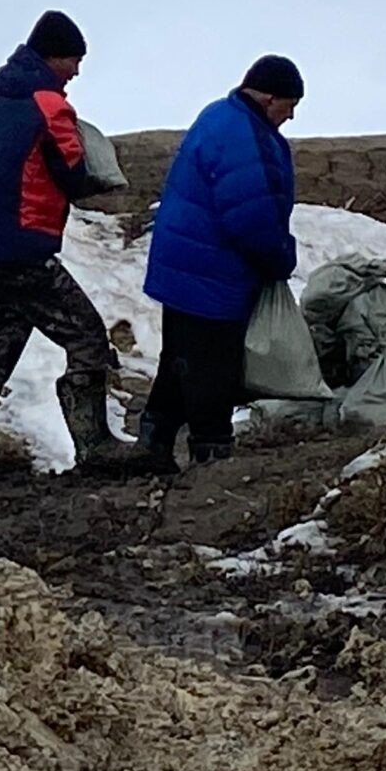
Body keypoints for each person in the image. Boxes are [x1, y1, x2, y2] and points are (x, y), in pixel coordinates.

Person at [0, 10, 135, 472]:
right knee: (86, 337)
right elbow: (72, 174)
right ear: (55, 57)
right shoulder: (51, 105)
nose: (77, 71)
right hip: (26, 248)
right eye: (74, 60)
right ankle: (95, 448)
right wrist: (103, 181)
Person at [137, 54, 304, 468]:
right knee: (214, 370)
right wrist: (280, 259)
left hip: (182, 268)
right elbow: (251, 219)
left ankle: (152, 447)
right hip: (211, 275)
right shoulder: (247, 138)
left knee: (179, 361)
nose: (292, 115)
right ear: (269, 99)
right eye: (290, 104)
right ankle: (212, 460)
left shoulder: (219, 116)